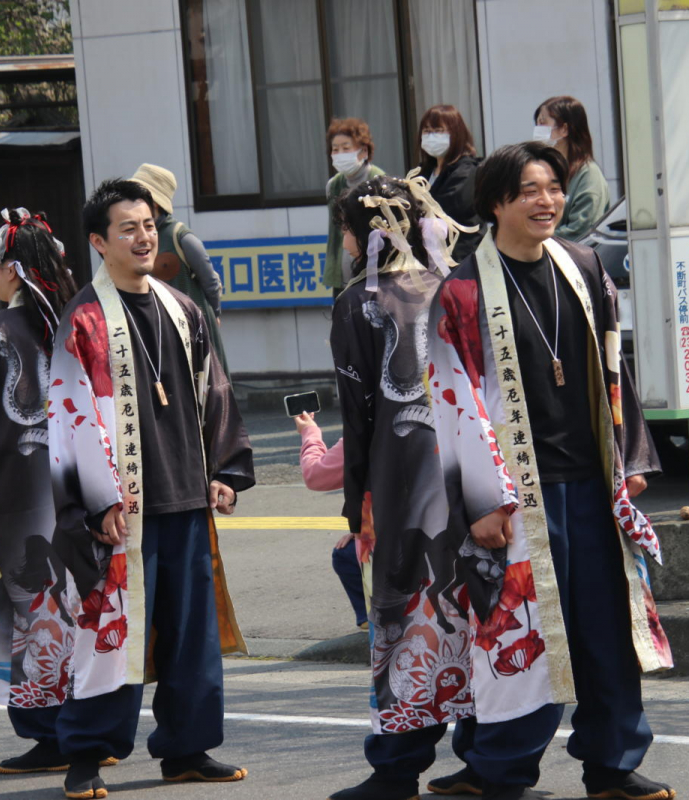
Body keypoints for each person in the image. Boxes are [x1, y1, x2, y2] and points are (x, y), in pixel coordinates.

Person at [425, 142, 671, 800]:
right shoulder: (463, 291)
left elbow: (615, 367)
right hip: (515, 495)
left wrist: (628, 457)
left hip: (590, 485)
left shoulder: (585, 267)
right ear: (495, 203)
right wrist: (478, 501)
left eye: (555, 187)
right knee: (519, 635)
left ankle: (613, 763)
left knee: (608, 630)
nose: (548, 200)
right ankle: (499, 769)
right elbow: (453, 403)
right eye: (530, 190)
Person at [48, 178, 254, 799]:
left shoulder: (180, 308)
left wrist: (222, 470)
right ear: (98, 242)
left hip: (185, 498)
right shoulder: (82, 320)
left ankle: (187, 749)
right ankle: (87, 754)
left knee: (193, 639)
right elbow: (68, 416)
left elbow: (215, 391)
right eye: (127, 228)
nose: (142, 238)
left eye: (148, 225)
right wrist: (96, 500)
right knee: (110, 633)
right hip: (122, 510)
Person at [326, 173, 479, 800]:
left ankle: (398, 764)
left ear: (360, 237)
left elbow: (357, 415)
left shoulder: (359, 302)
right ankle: (483, 754)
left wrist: (354, 502)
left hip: (399, 482)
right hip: (474, 478)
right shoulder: (460, 289)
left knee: (402, 605)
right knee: (473, 606)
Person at [0, 208, 93, 774]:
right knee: (85, 603)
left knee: (27, 610)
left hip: (13, 503)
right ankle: (93, 719)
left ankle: (46, 733)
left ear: (11, 269)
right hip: (85, 497)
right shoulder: (79, 327)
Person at [128, 163, 229, 371]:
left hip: (193, 326)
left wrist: (214, 314)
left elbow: (210, 280)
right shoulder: (137, 237)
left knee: (206, 385)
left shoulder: (180, 236)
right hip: (158, 327)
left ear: (155, 203)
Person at [293, 411, 366, 630]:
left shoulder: (364, 430)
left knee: (345, 555)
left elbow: (315, 475)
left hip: (390, 540)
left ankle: (371, 621)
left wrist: (310, 432)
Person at [533, 96, 610, 242]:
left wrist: (538, 239)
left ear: (564, 129)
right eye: (536, 123)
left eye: (542, 122)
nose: (537, 130)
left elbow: (582, 230)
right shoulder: (547, 171)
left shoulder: (588, 175)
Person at [324, 118, 385, 294]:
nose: (340, 154)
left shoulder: (378, 181)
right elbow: (335, 231)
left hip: (373, 272)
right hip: (342, 273)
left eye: (346, 148)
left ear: (363, 151)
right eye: (335, 150)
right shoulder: (333, 185)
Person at [417, 104, 484, 261]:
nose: (431, 136)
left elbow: (443, 208)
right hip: (430, 260)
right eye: (427, 131)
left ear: (456, 134)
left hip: (461, 260)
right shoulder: (423, 171)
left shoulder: (468, 171)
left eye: (439, 131)